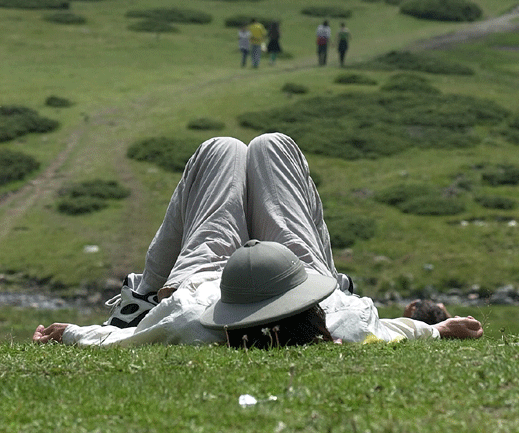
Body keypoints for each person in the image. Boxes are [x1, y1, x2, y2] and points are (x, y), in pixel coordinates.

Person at [33, 133, 483, 348]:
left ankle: (144, 292)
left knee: (221, 150)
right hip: (296, 271)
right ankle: (146, 289)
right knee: (273, 147)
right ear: (310, 304)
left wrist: (65, 333)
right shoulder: (343, 319)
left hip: (208, 282)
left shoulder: (192, 319)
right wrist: (440, 329)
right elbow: (394, 331)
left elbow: (114, 342)